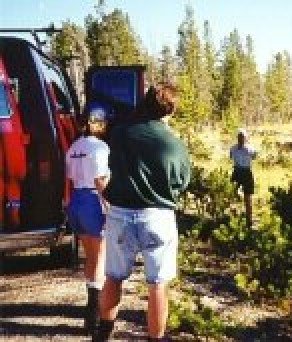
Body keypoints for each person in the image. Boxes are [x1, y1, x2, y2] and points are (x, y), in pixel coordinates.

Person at [95, 83, 191, 342]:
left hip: (120, 214)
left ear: (144, 102)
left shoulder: (120, 133)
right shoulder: (175, 143)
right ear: (171, 110)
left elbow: (104, 155)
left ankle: (103, 333)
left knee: (113, 277)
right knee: (157, 285)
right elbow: (182, 182)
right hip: (158, 216)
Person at [65, 104, 110, 333]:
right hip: (93, 201)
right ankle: (94, 313)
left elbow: (70, 178)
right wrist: (109, 205)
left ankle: (90, 308)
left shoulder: (73, 147)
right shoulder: (101, 147)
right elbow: (100, 180)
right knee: (100, 256)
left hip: (77, 202)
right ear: (98, 123)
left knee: (90, 256)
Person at [230, 128, 256, 227]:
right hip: (237, 171)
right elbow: (231, 156)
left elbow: (254, 157)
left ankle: (249, 221)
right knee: (231, 195)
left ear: (246, 138)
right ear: (237, 137)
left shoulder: (251, 149)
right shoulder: (233, 149)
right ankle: (233, 218)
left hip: (246, 172)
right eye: (239, 136)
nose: (241, 139)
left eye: (243, 137)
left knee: (248, 197)